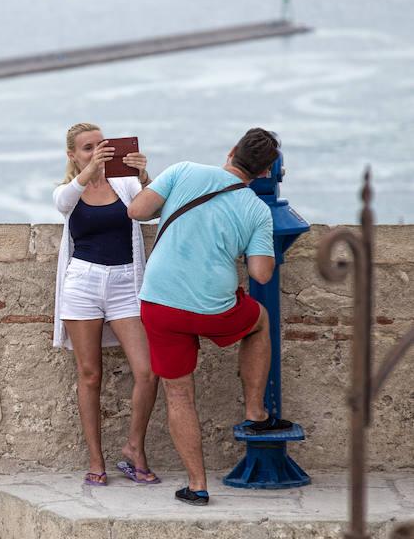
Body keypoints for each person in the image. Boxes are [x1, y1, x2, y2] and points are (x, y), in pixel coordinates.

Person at [126, 127, 294, 506]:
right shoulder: (256, 209)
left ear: (232, 150)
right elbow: (260, 274)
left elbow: (136, 211)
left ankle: (197, 485)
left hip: (161, 302)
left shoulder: (184, 170)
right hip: (213, 309)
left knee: (179, 394)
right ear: (266, 172)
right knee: (260, 320)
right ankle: (254, 410)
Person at [53, 122, 161, 486]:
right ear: (73, 155)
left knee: (147, 371)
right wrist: (88, 171)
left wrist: (145, 176)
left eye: (102, 145)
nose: (97, 151)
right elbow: (62, 203)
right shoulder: (69, 189)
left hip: (126, 281)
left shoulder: (126, 183)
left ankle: (133, 449)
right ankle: (95, 459)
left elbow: (154, 211)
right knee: (90, 375)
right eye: (88, 148)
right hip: (82, 282)